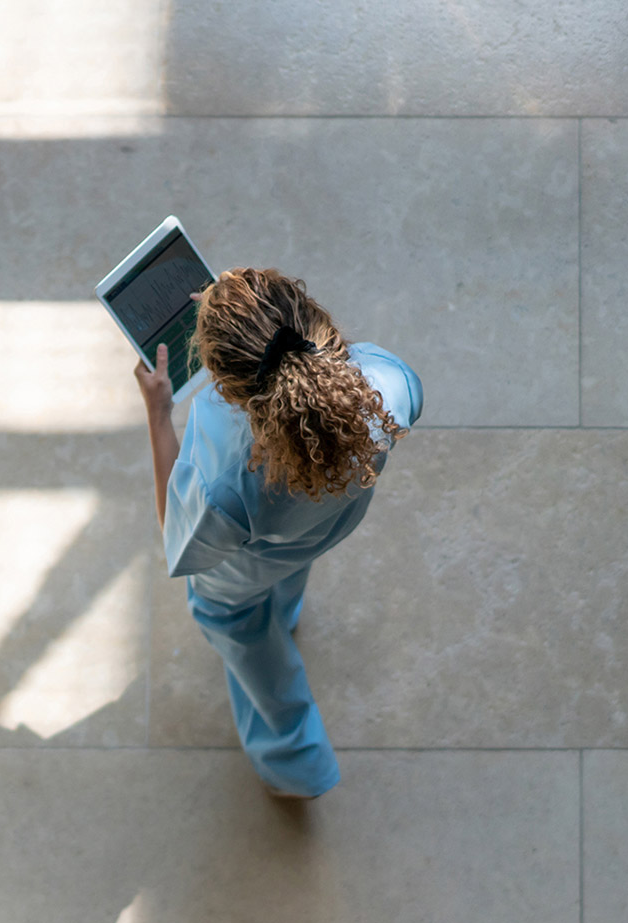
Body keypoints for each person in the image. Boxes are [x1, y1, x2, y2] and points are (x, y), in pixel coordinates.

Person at [134, 267, 423, 799]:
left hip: (244, 569)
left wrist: (159, 413)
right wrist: (250, 318)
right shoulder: (390, 383)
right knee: (288, 572)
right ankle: (286, 614)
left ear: (226, 387)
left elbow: (181, 539)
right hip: (326, 526)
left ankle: (298, 765)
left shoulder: (225, 473)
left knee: (240, 630)